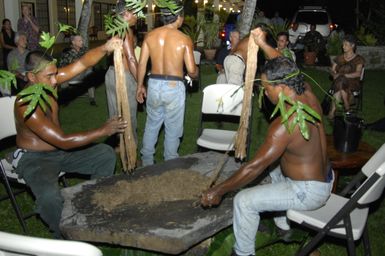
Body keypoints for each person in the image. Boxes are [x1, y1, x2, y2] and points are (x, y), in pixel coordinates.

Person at [200, 27, 333, 256]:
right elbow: (287, 67)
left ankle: (243, 253)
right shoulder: (307, 93)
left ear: (281, 87)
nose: (266, 93)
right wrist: (262, 44)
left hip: (309, 192)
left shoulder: (284, 126)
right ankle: (283, 227)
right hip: (326, 178)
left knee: (244, 201)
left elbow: (253, 167)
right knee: (274, 170)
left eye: (267, 87)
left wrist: (218, 191)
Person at [13, 37, 127, 238]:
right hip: (34, 159)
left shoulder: (49, 82)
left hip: (60, 151)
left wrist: (105, 47)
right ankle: (64, 237)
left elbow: (82, 63)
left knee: (105, 155)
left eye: (56, 74)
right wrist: (103, 131)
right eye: (50, 76)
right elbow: (63, 140)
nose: (56, 80)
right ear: (31, 77)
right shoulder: (25, 104)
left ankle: (91, 206)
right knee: (49, 198)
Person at [136, 6, 198, 166]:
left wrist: (139, 86)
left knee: (152, 124)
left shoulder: (150, 36)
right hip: (174, 85)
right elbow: (191, 70)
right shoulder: (184, 39)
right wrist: (195, 74)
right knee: (173, 127)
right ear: (178, 17)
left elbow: (142, 63)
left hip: (154, 84)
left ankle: (147, 163)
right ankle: (170, 163)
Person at [105, 0, 139, 143]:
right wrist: (141, 83)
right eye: (135, 13)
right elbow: (131, 59)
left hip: (110, 75)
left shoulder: (113, 29)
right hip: (123, 77)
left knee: (115, 115)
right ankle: (131, 153)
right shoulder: (126, 30)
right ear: (126, 13)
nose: (137, 16)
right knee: (128, 117)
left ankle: (117, 145)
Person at [328, 34, 365, 119]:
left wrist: (342, 75)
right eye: (343, 44)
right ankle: (347, 108)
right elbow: (332, 70)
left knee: (340, 81)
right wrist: (333, 74)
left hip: (352, 83)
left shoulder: (359, 59)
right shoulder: (339, 58)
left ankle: (333, 110)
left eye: (346, 45)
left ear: (352, 46)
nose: (343, 47)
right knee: (340, 81)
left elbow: (358, 74)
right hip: (339, 82)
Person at [58, 34, 96, 106]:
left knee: (90, 71)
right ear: (73, 42)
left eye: (82, 40)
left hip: (83, 74)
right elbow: (61, 66)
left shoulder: (84, 50)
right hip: (71, 76)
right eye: (79, 41)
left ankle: (92, 98)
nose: (82, 42)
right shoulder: (67, 52)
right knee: (64, 75)